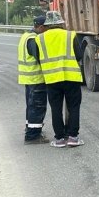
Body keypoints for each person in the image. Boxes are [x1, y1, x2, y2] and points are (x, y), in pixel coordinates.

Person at [33, 11, 84, 148]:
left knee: (55, 108)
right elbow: (79, 55)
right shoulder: (70, 35)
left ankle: (59, 139)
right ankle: (73, 137)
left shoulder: (40, 38)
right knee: (73, 107)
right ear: (61, 22)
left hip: (52, 78)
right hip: (71, 77)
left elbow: (38, 58)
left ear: (47, 24)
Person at [19, 15, 49, 144]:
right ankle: (33, 136)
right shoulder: (33, 39)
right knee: (38, 106)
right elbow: (39, 58)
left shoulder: (26, 36)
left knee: (31, 106)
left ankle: (30, 128)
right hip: (36, 78)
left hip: (29, 78)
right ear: (41, 27)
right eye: (47, 28)